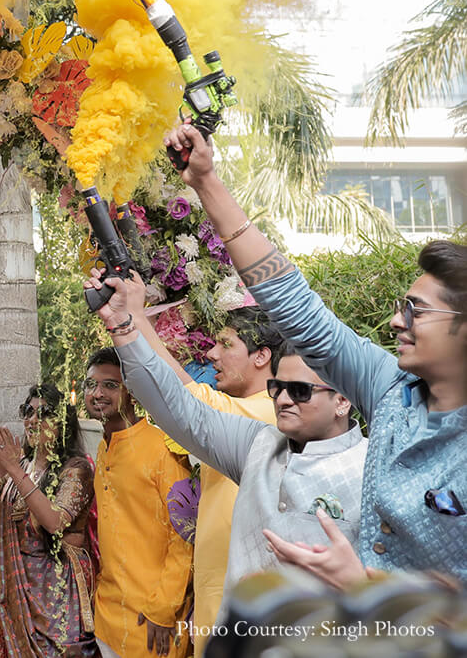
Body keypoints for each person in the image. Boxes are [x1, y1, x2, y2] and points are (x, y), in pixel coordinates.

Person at [163, 123, 467, 586]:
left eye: (415, 311)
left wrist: (370, 589)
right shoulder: (390, 390)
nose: (395, 322)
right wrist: (207, 182)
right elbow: (298, 309)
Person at [89, 272, 370, 624]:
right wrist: (123, 326)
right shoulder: (258, 445)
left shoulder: (372, 468)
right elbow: (178, 407)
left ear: (342, 400)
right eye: (277, 388)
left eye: (298, 391)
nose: (283, 399)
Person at [0, 386, 97, 658]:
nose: (33, 420)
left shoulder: (76, 469)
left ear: (63, 422)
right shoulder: (19, 467)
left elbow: (55, 522)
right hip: (16, 596)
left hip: (59, 598)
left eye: (45, 413)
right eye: (28, 412)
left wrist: (13, 469)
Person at [180, 308, 283, 657]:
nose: (211, 354)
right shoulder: (238, 410)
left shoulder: (273, 413)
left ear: (261, 356)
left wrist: (131, 325)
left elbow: (192, 404)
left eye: (226, 343)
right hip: (214, 599)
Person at [81, 348, 193, 658]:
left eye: (110, 385)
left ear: (133, 391)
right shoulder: (104, 449)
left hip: (153, 623)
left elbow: (186, 535)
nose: (97, 393)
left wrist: (164, 607)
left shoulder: (164, 448)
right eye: (91, 385)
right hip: (107, 618)